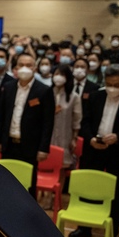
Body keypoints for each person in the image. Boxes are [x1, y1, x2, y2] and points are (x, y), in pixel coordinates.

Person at [70, 64, 119, 237]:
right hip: (94, 148)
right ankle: (85, 227)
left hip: (118, 152)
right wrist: (91, 139)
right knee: (89, 187)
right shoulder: (95, 96)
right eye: (109, 84)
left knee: (116, 191)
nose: (113, 88)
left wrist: (118, 137)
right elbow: (85, 123)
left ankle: (112, 230)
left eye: (117, 85)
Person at [0, 53, 55, 194]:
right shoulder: (8, 87)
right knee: (6, 182)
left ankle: (27, 215)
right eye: (21, 65)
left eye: (28, 65)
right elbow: (1, 115)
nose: (24, 68)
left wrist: (43, 148)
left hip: (30, 146)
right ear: (15, 68)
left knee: (27, 186)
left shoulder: (44, 91)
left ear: (35, 68)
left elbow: (48, 122)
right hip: (8, 143)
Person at [49, 65, 82, 193]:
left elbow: (77, 120)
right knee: (46, 165)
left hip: (65, 135)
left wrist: (74, 138)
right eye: (56, 73)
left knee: (61, 167)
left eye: (62, 75)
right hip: (48, 136)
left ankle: (55, 196)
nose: (58, 77)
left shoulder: (74, 97)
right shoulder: (46, 93)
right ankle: (46, 196)